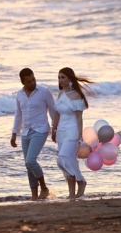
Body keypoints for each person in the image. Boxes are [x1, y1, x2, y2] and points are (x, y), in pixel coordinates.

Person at [11, 68, 56, 200]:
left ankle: (44, 188)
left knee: (31, 161)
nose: (32, 82)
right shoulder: (19, 94)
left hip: (40, 130)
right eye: (28, 81)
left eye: (33, 79)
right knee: (27, 164)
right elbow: (18, 114)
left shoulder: (44, 92)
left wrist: (55, 129)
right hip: (25, 132)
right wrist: (14, 133)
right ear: (22, 82)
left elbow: (53, 111)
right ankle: (34, 196)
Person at [51, 67, 94, 199]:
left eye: (63, 77)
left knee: (62, 159)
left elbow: (79, 117)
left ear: (69, 78)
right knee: (70, 161)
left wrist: (79, 135)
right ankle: (71, 194)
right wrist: (54, 129)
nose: (60, 80)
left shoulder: (76, 95)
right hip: (61, 133)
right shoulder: (61, 94)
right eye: (59, 78)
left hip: (72, 131)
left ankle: (81, 181)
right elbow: (57, 113)